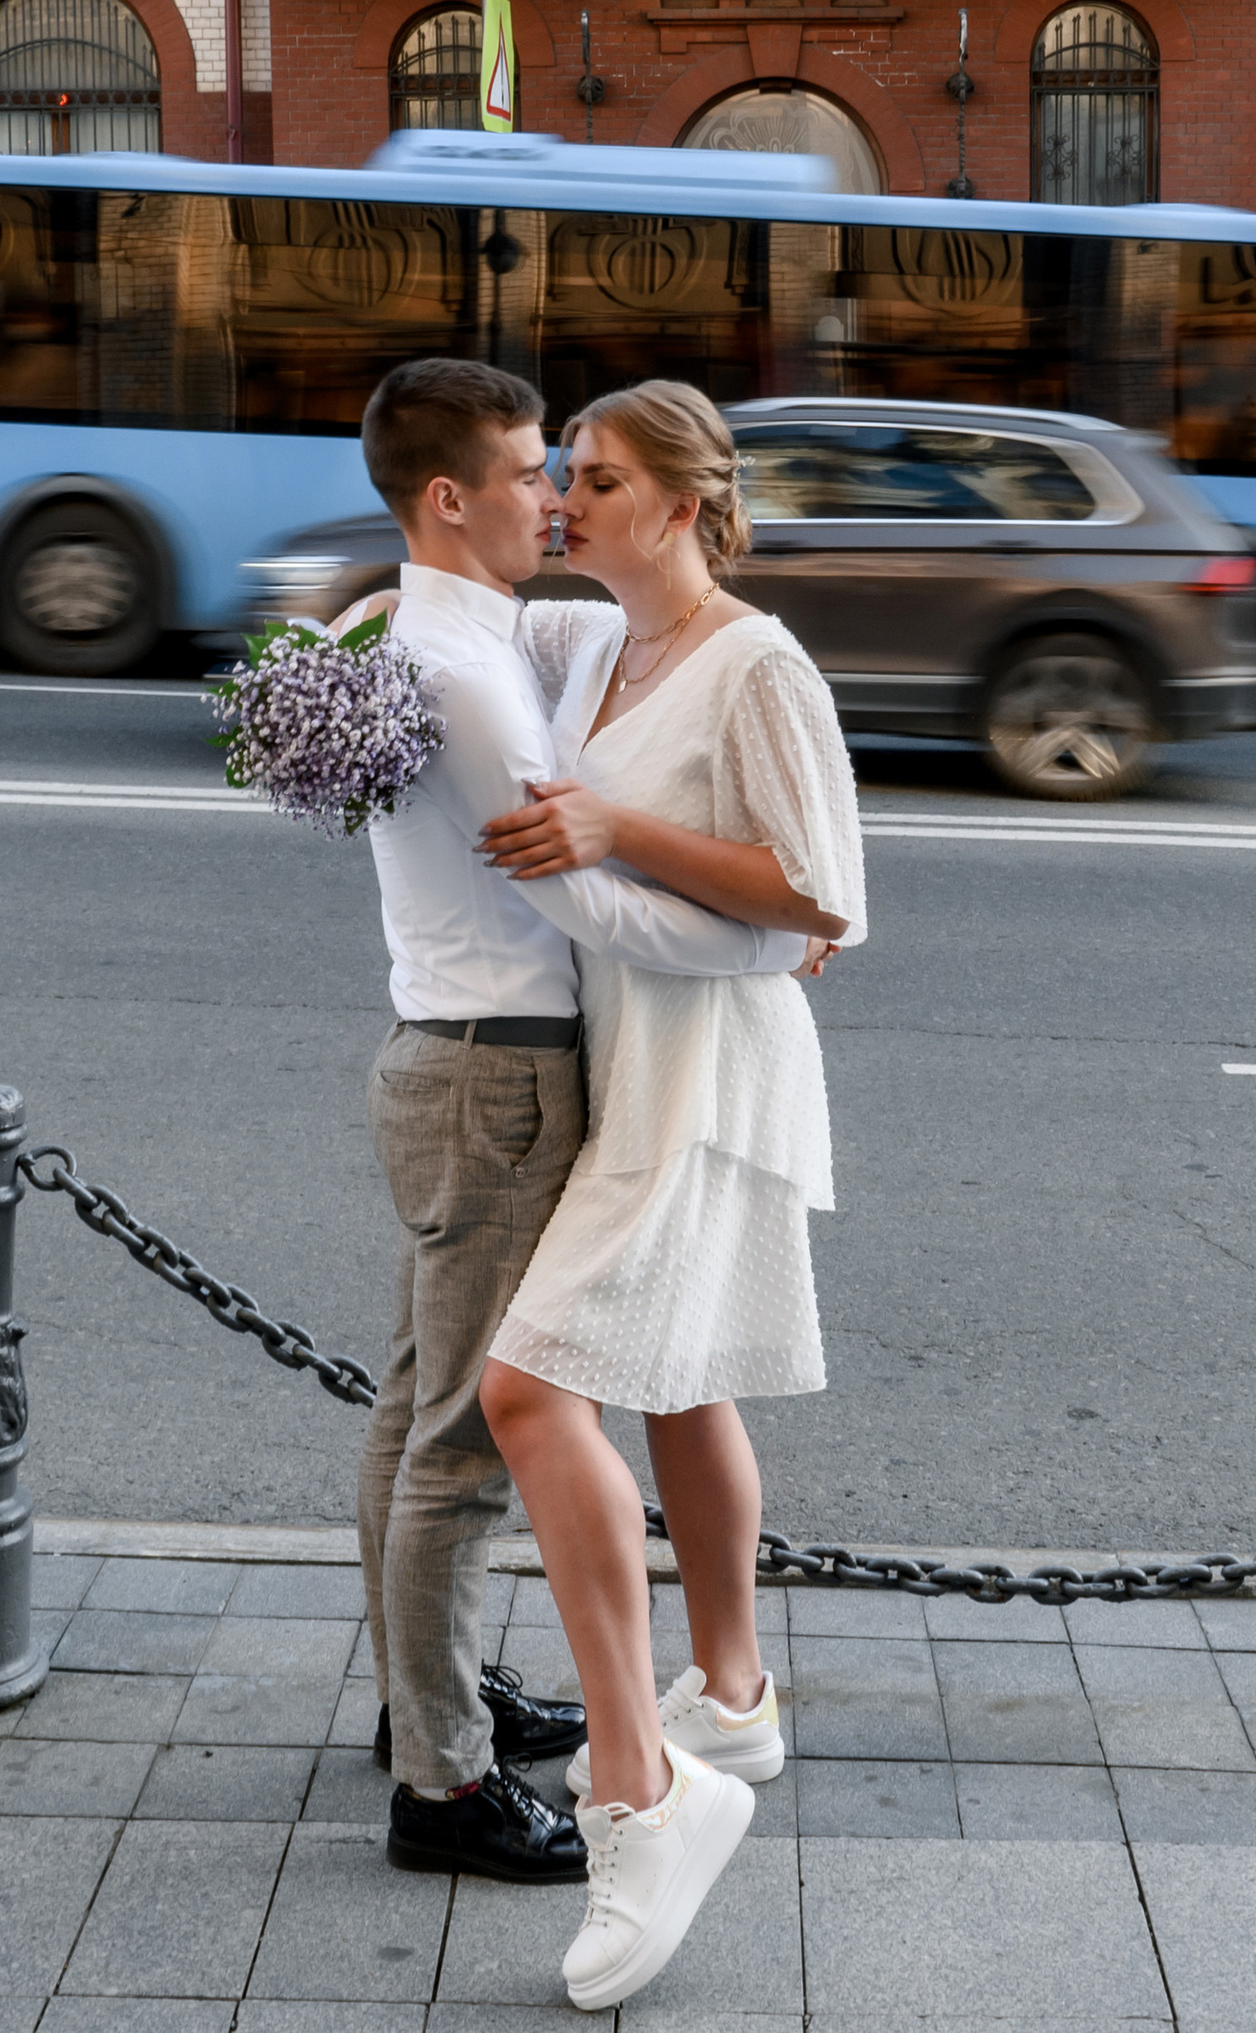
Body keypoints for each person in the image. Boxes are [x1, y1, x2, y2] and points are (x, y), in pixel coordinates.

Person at [346, 356, 818, 1897]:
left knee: (424, 1405)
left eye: (579, 473)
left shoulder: (457, 634)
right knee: (472, 1430)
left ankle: (432, 1702)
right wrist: (765, 942)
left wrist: (350, 615)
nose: (551, 497)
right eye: (534, 471)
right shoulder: (474, 672)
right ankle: (444, 1779)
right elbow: (583, 897)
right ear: (449, 498)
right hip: (501, 1069)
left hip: (454, 1055)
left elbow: (547, 652)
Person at [471, 378, 866, 2011]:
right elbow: (444, 620)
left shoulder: (756, 663)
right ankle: (735, 1693)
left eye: (603, 479)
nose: (570, 499)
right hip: (636, 1051)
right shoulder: (598, 640)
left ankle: (647, 1797)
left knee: (527, 1391)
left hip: (705, 1072)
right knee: (683, 1380)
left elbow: (822, 898)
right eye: (565, 473)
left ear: (689, 506)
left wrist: (615, 829)